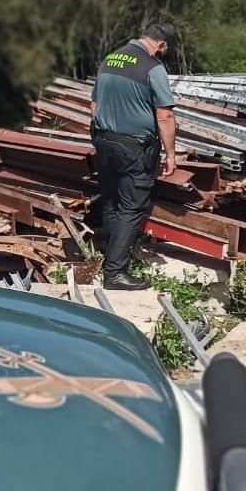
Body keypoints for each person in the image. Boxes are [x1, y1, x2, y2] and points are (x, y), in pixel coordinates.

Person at [90, 23, 179, 291]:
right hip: (134, 148)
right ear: (162, 45)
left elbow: (93, 105)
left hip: (104, 140)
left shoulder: (111, 58)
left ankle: (110, 253)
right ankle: (114, 272)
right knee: (131, 207)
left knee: (112, 199)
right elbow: (165, 115)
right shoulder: (153, 68)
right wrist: (171, 154)